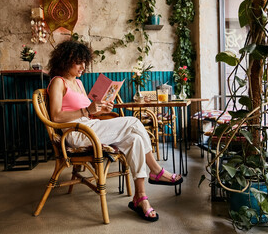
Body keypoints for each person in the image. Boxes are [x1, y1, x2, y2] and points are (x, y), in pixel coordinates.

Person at [47, 40, 183, 222]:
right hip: (76, 133)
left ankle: (140, 198)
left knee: (135, 139)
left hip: (90, 126)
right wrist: (87, 111)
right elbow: (55, 116)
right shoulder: (58, 82)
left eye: (84, 62)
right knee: (133, 122)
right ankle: (156, 171)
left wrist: (99, 110)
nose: (83, 67)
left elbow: (88, 112)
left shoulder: (78, 84)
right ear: (66, 60)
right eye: (78, 62)